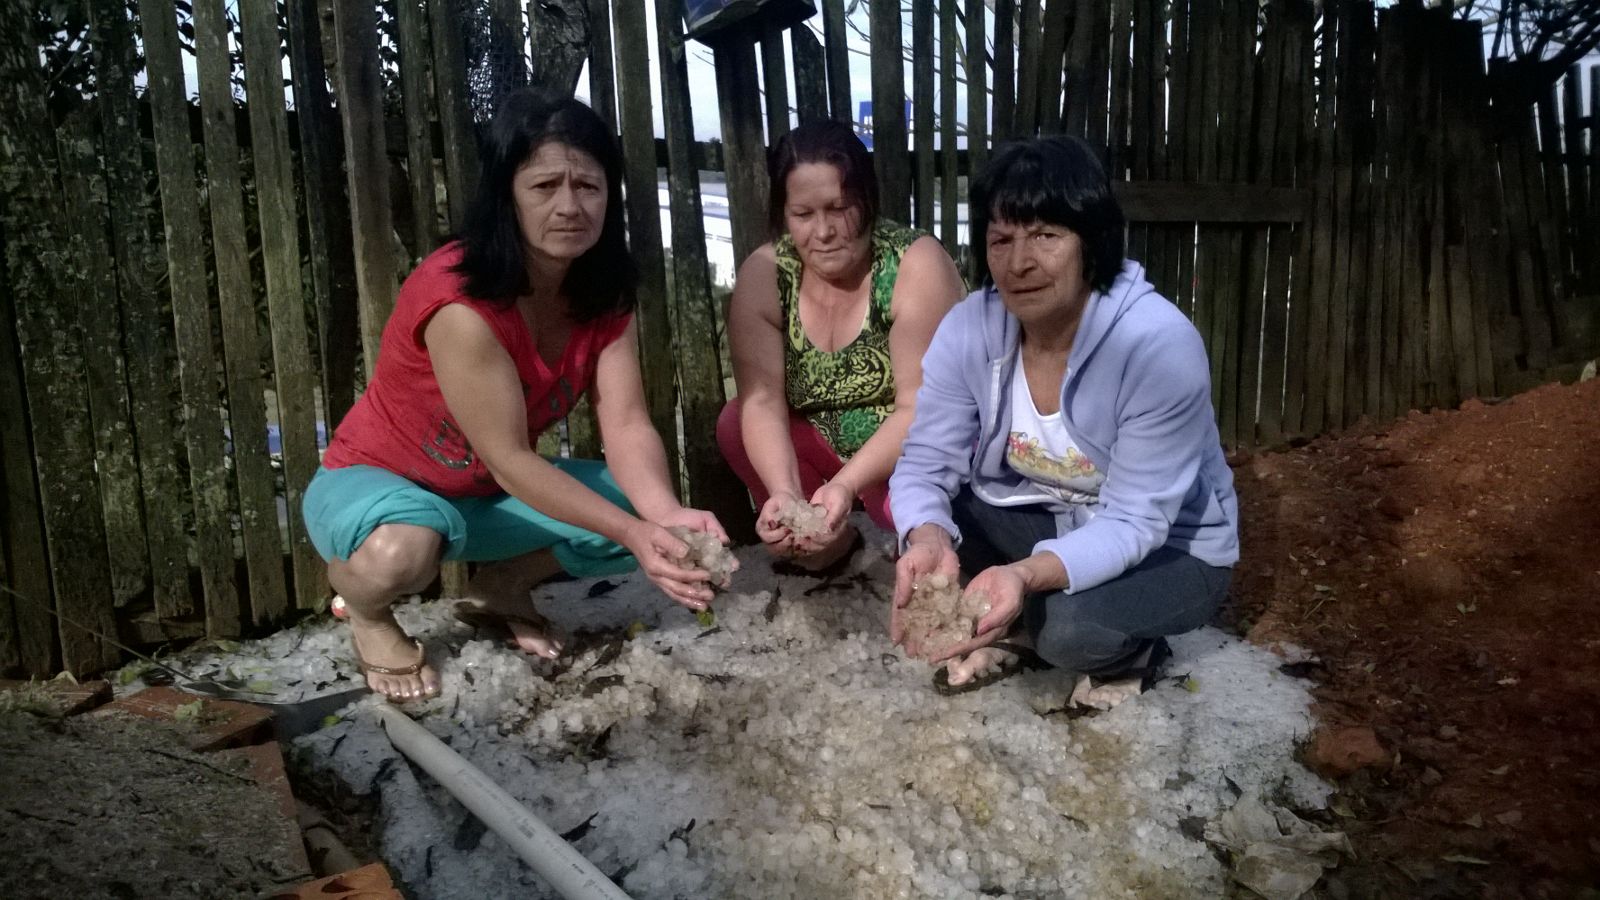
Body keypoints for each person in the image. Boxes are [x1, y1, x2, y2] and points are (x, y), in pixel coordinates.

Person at [303, 89, 730, 701]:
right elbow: (509, 458)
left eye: (588, 186)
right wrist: (637, 534)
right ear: (507, 195)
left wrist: (661, 517)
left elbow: (629, 422)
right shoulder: (459, 301)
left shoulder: (604, 292)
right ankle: (367, 612)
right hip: (374, 482)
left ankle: (499, 586)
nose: (569, 206)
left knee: (642, 508)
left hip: (480, 494)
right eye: (544, 186)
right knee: (403, 550)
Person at [888, 135, 1238, 694]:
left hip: (1172, 546)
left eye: (1046, 236)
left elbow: (1136, 523)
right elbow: (927, 462)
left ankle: (1128, 650)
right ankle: (1019, 613)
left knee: (1068, 632)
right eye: (1000, 239)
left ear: (1091, 242)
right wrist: (927, 536)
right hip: (1046, 517)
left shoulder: (1157, 348)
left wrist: (1025, 575)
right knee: (928, 533)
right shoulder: (969, 329)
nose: (1019, 262)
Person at [717, 119, 965, 571]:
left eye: (840, 208)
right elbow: (763, 402)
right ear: (782, 215)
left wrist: (846, 485)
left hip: (909, 451)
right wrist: (787, 494)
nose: (824, 231)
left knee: (911, 514)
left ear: (867, 201)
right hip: (821, 447)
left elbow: (922, 410)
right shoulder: (766, 274)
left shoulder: (914, 265)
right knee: (735, 422)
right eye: (804, 215)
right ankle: (825, 544)